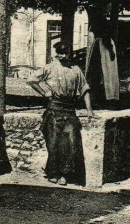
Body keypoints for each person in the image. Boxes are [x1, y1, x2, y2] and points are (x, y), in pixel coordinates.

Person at [28, 41, 97, 186]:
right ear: (56, 54)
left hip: (69, 109)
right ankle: (53, 173)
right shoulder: (49, 68)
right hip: (54, 108)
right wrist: (44, 93)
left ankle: (65, 174)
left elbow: (85, 89)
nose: (64, 56)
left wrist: (89, 110)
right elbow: (31, 80)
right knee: (53, 143)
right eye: (61, 53)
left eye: (67, 53)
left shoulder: (76, 70)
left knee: (71, 142)